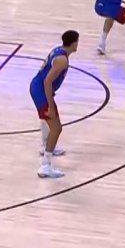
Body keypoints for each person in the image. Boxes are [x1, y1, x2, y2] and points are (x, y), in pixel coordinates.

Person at [30, 30, 80, 179]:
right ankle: (45, 166)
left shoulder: (59, 50)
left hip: (38, 87)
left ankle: (45, 145)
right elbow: (47, 82)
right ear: (74, 43)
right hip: (41, 90)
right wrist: (51, 106)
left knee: (48, 121)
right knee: (56, 128)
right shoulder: (62, 60)